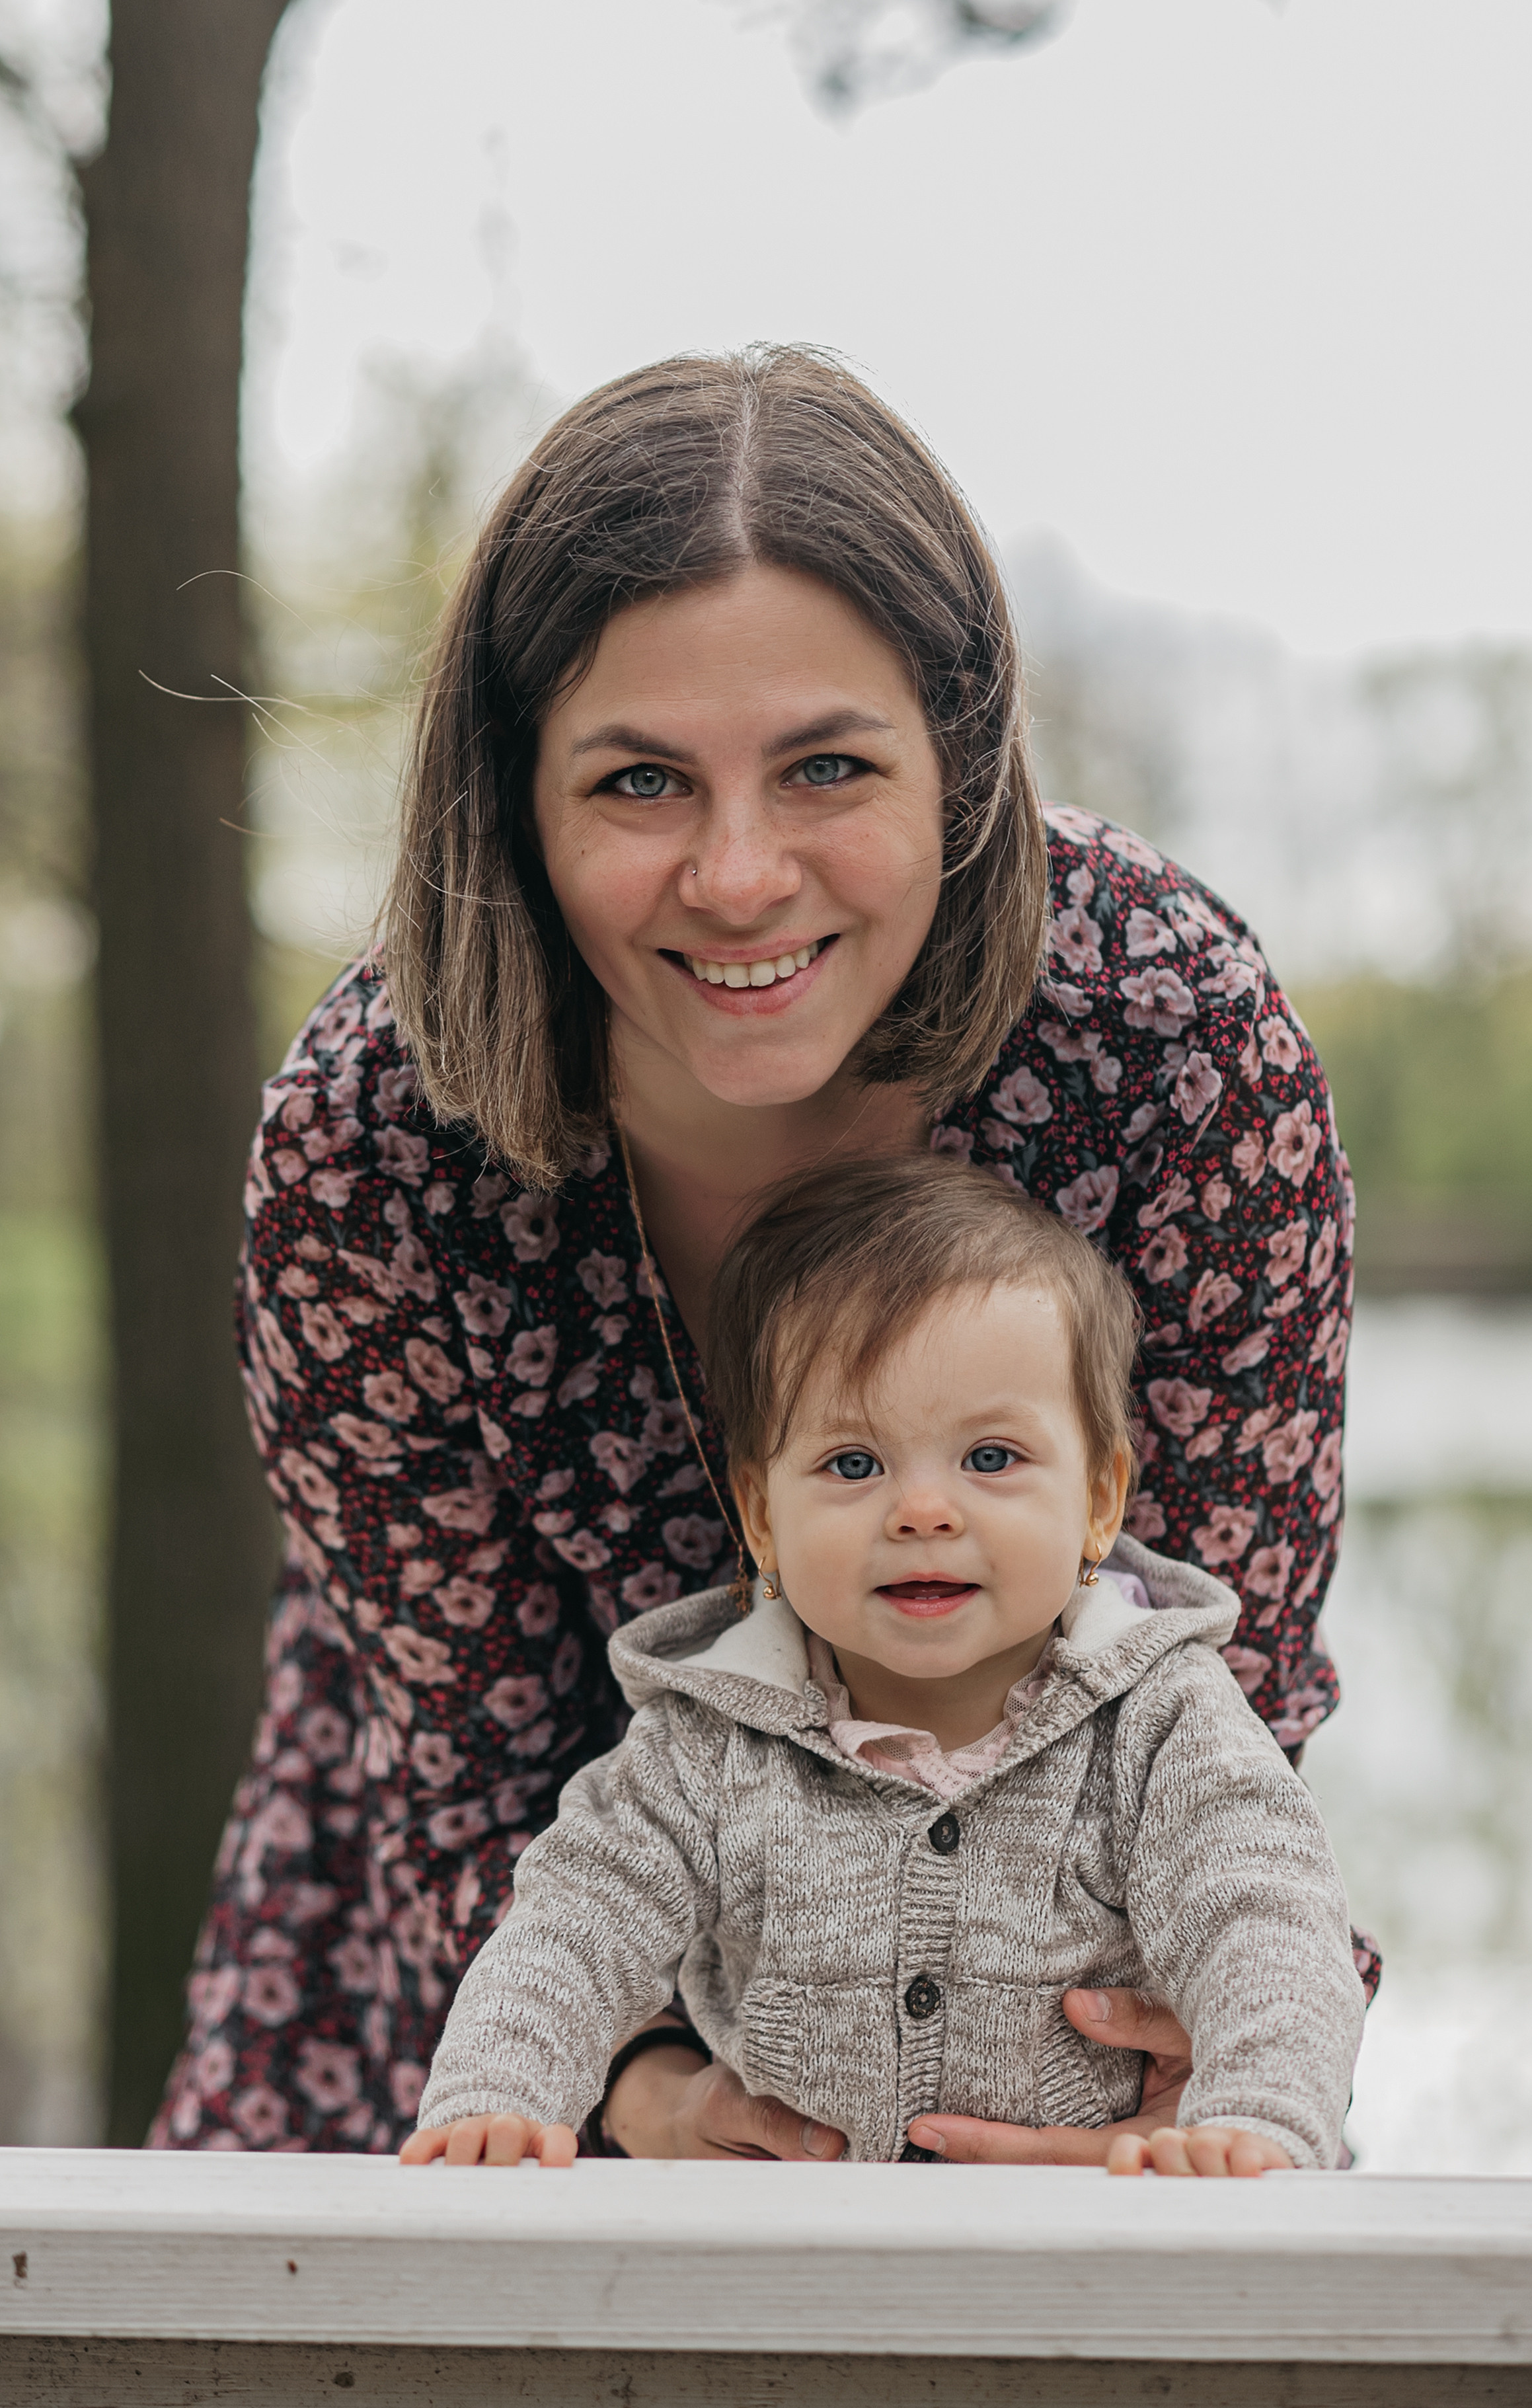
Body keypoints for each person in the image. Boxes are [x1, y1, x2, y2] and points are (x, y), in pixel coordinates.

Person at [151, 345, 1369, 2162]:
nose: (738, 876)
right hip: (517, 1946)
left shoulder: (1168, 1044)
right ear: (517, 801)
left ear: (957, 763)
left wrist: (1199, 2078)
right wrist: (633, 2091)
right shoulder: (371, 1145)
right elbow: (472, 1762)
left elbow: (1217, 1700)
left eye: (824, 767)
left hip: (1060, 1989)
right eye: (640, 784)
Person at [402, 1157, 1364, 2175]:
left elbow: (1267, 1923)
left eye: (991, 1458)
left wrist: (1255, 2120)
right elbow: (571, 1926)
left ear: (1099, 1499)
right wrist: (497, 2097)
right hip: (784, 2258)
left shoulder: (1162, 1717)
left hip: (1092, 2241)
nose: (923, 1511)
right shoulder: (709, 1740)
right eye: (853, 1465)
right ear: (764, 1516)